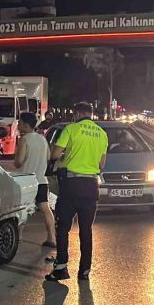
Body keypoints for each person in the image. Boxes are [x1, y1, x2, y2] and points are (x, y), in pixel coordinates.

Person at [46, 102, 108, 282]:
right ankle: (85, 270)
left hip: (71, 185)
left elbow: (55, 154)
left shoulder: (71, 129)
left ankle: (61, 268)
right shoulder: (102, 134)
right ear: (91, 114)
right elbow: (101, 165)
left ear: (78, 114)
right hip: (91, 186)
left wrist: (66, 157)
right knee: (86, 230)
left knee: (63, 227)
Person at [14, 112, 57, 249]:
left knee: (22, 208)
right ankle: (52, 238)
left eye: (20, 123)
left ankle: (18, 237)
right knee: (45, 208)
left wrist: (16, 160)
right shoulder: (42, 139)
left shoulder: (24, 139)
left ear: (26, 125)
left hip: (26, 181)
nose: (18, 125)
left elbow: (19, 162)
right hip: (41, 180)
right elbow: (49, 156)